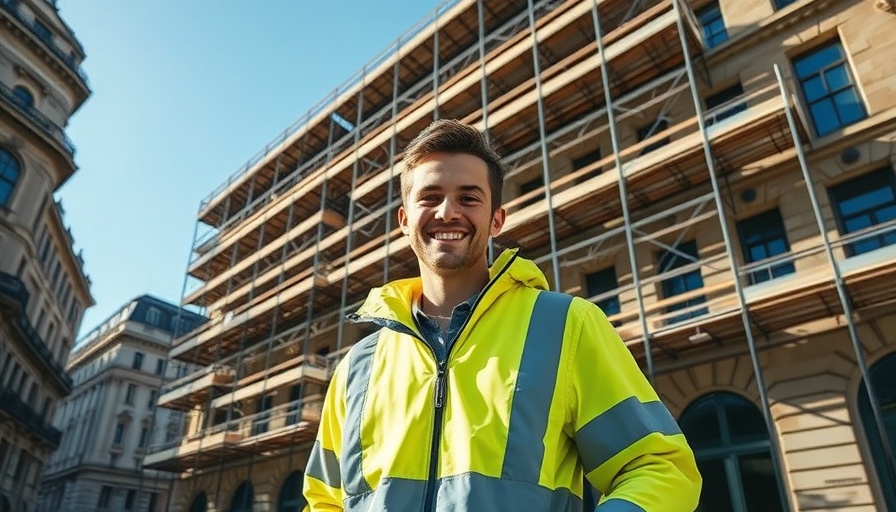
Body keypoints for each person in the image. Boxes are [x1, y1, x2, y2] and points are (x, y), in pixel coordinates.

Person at [303, 119, 701, 511]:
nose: (447, 212)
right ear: (405, 222)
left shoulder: (566, 326)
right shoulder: (356, 367)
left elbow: (659, 467)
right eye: (429, 197)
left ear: (496, 220)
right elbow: (324, 501)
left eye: (469, 198)